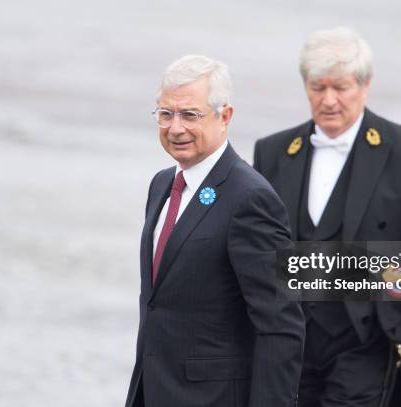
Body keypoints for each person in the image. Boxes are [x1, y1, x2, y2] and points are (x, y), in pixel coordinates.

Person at [253, 27, 401, 407]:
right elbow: (252, 247)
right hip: (288, 344)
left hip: (366, 342)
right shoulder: (274, 151)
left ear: (365, 86)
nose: (328, 100)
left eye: (341, 87)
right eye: (317, 87)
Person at [125, 55, 305, 407]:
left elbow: (281, 325)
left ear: (225, 116)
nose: (175, 128)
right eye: (166, 114)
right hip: (153, 391)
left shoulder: (250, 199)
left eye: (190, 115)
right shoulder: (162, 185)